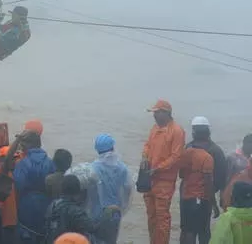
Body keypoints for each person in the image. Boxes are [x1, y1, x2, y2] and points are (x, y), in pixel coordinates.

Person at [2, 119, 55, 243]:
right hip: (46, 205)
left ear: (26, 145)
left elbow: (17, 185)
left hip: (26, 206)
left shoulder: (23, 164)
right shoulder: (50, 162)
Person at [142, 99, 186, 244]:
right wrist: (144, 157)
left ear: (166, 113)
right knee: (151, 216)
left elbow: (176, 156)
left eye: (156, 112)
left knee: (162, 218)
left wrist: (157, 168)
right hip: (149, 179)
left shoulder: (177, 131)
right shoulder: (155, 128)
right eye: (153, 113)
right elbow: (147, 145)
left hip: (164, 181)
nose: (154, 116)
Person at [179, 117, 222, 244]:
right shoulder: (214, 152)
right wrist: (214, 203)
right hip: (203, 198)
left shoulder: (186, 150)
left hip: (185, 196)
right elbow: (216, 180)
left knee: (186, 229)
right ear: (208, 132)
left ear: (193, 132)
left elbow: (181, 174)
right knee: (203, 230)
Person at [87, 134, 132, 244]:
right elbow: (128, 189)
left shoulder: (92, 168)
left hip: (97, 214)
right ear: (113, 147)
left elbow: (88, 192)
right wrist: (122, 207)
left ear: (97, 150)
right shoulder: (122, 168)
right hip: (115, 213)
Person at [45, 175, 105, 243]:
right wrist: (105, 217)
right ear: (77, 192)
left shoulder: (52, 205)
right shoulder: (75, 211)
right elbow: (93, 228)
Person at [0, 146, 18, 243]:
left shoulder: (11, 174)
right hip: (3, 223)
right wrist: (18, 140)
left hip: (11, 223)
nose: (14, 161)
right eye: (12, 159)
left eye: (15, 159)